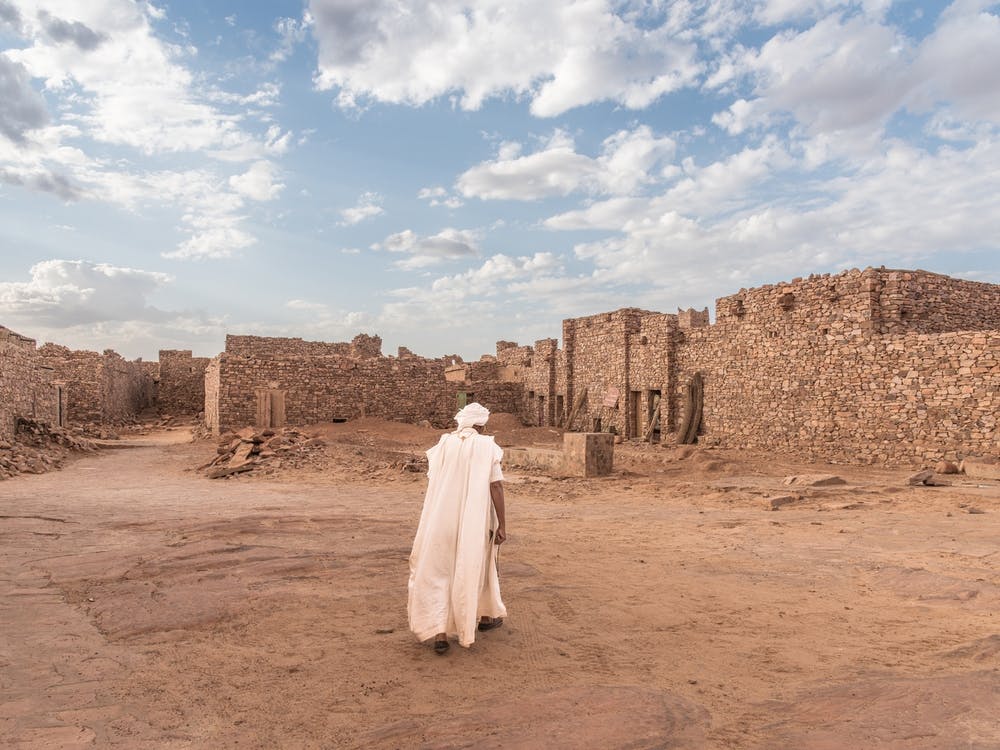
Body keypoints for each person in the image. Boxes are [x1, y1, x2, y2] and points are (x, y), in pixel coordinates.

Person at [407, 402, 507, 654]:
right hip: (473, 523)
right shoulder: (487, 446)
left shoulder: (443, 445)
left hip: (439, 521)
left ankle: (440, 632)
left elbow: (436, 480)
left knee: (439, 572)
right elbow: (496, 486)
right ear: (481, 424)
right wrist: (503, 524)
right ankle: (481, 620)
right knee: (473, 568)